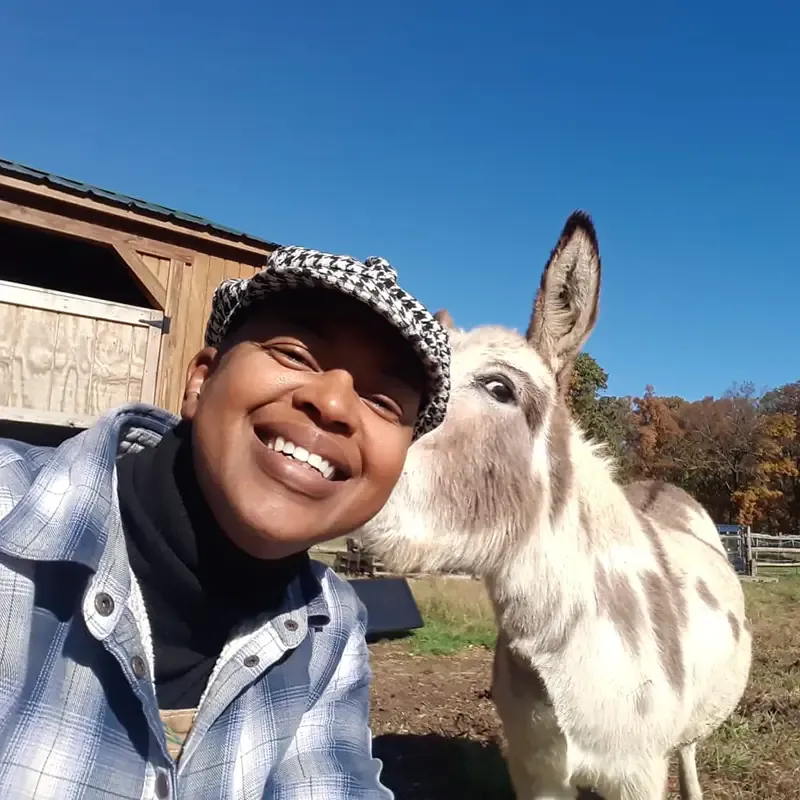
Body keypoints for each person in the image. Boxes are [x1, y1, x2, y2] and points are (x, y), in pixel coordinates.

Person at [0, 246, 451, 799]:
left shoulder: (328, 625)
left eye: (383, 402)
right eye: (295, 354)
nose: (333, 403)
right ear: (200, 382)